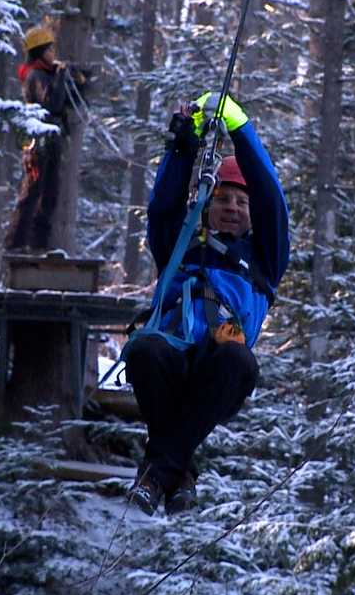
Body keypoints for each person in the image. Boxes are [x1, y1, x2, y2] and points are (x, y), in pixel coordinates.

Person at [124, 92, 290, 515]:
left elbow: (271, 198)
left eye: (240, 201)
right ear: (206, 204)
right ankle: (179, 475)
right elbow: (163, 207)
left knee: (238, 359)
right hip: (170, 355)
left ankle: (156, 474)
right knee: (143, 349)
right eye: (222, 199)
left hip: (220, 368)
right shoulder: (179, 245)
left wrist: (239, 128)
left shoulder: (265, 258)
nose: (232, 207)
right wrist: (183, 148)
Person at [6, 25, 87, 251]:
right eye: (49, 50)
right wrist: (60, 76)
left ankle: (38, 245)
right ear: (39, 52)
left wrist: (78, 81)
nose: (53, 54)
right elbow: (52, 103)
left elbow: (68, 101)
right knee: (32, 193)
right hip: (37, 144)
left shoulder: (47, 74)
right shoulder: (35, 75)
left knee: (49, 195)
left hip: (51, 142)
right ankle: (16, 244)